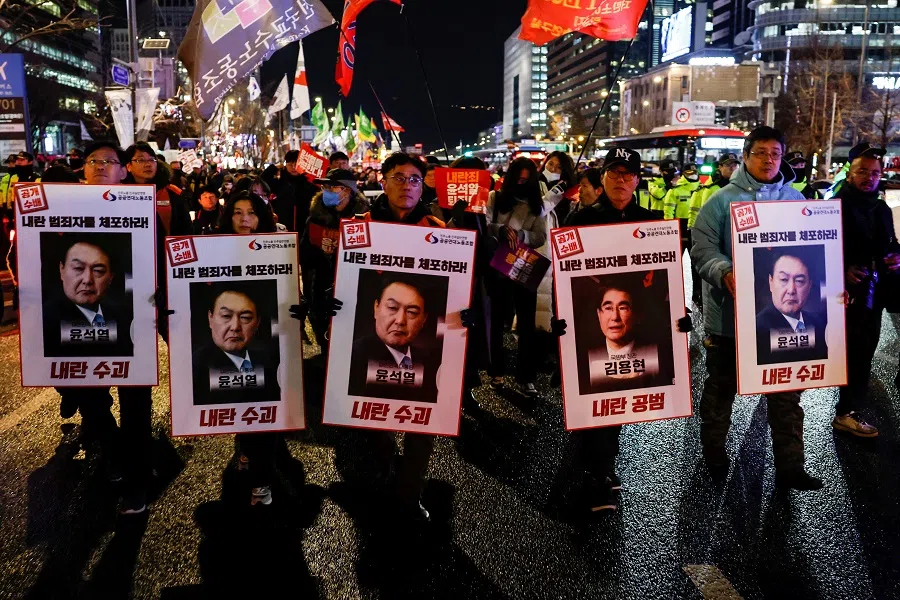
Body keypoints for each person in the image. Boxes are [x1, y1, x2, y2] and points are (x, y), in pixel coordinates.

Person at [558, 146, 691, 512]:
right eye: (613, 173)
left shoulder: (652, 222)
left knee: (619, 403)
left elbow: (665, 280)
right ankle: (593, 477)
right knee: (593, 404)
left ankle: (599, 468)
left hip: (635, 327)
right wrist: (560, 318)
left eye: (627, 174)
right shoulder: (580, 221)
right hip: (589, 326)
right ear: (602, 179)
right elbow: (564, 279)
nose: (620, 180)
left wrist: (678, 313)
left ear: (637, 180)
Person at [691, 125, 821, 490]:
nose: (769, 160)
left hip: (784, 322)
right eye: (761, 152)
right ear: (746, 156)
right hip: (729, 320)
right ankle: (714, 452)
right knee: (721, 389)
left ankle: (791, 465)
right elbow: (702, 249)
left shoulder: (796, 201)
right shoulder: (720, 201)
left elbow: (815, 252)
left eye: (775, 153)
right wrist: (724, 271)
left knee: (787, 395)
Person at [52, 139, 168, 515]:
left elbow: (162, 259)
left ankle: (137, 480)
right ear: (83, 170)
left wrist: (162, 304)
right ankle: (115, 454)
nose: (101, 165)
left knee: (136, 402)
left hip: (134, 321)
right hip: (79, 326)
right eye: (93, 160)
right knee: (91, 399)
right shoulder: (60, 208)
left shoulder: (144, 207)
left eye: (110, 161)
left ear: (123, 171)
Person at [214, 190, 282, 506]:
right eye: (237, 212)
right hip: (230, 343)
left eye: (252, 212)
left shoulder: (278, 246)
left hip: (265, 338)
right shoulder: (211, 247)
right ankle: (245, 449)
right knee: (239, 400)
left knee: (263, 405)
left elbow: (287, 290)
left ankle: (261, 480)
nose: (244, 219)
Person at [833, 142, 895, 439]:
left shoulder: (881, 208)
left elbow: (890, 245)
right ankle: (846, 412)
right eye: (862, 171)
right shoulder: (835, 206)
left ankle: (848, 409)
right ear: (849, 172)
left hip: (874, 293)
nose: (869, 177)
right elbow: (818, 250)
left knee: (863, 351)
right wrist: (842, 269)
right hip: (842, 295)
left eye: (874, 172)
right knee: (846, 353)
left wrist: (896, 258)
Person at [485, 156, 547, 398]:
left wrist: (520, 235)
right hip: (497, 265)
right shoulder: (496, 197)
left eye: (526, 180)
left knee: (526, 325)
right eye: (518, 179)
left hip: (522, 265)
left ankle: (526, 377)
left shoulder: (536, 205)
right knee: (497, 322)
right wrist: (501, 230)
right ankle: (496, 372)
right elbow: (485, 223)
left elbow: (540, 236)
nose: (522, 183)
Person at [302, 168, 368, 347]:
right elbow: (304, 255)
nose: (326, 191)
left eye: (331, 187)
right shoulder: (315, 218)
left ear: (347, 190)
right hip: (318, 295)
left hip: (350, 299)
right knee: (324, 346)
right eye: (324, 187)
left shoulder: (364, 220)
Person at [348, 276, 441, 402]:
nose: (400, 320)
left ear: (424, 319)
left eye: (412, 312)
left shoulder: (433, 364)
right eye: (392, 308)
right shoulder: (352, 357)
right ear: (376, 308)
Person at [42, 236, 134, 357]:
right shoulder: (44, 321)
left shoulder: (125, 317)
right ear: (61, 270)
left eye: (99, 271)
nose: (87, 280)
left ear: (110, 277)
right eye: (78, 268)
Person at [192, 284, 280, 405]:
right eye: (226, 316)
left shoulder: (269, 360)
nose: (235, 327)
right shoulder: (195, 368)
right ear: (210, 318)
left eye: (245, 317)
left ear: (257, 322)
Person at [755, 251, 828, 365]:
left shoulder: (820, 325)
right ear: (771, 282)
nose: (791, 290)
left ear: (809, 285)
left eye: (799, 281)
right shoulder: (757, 330)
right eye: (784, 279)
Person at [123, 142, 192, 236]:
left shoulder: (172, 193)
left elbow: (186, 231)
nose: (148, 164)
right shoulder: (118, 194)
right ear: (128, 166)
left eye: (152, 160)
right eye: (141, 160)